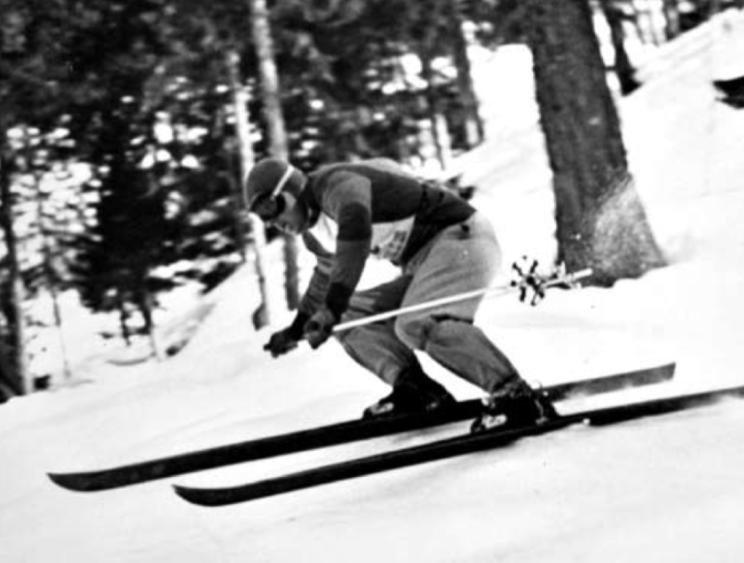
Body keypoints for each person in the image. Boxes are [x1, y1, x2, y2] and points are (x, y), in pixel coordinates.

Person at [246, 157, 556, 431]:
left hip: (462, 241)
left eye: (270, 207)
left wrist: (331, 305)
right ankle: (417, 392)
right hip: (423, 264)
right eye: (263, 218)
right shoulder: (314, 235)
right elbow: (326, 277)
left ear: (293, 187)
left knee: (417, 322)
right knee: (348, 317)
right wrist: (298, 327)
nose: (273, 221)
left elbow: (354, 237)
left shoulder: (337, 186)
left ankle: (515, 396)